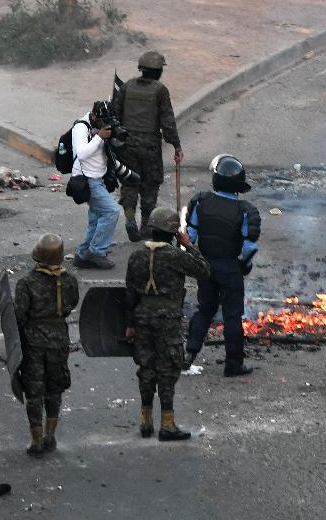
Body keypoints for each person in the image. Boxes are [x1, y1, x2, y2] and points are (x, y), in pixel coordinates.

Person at [125, 207, 210, 441]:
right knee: (168, 369)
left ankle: (145, 421)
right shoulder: (176, 255)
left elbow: (130, 293)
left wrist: (129, 323)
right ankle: (167, 424)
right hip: (167, 320)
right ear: (173, 234)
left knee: (146, 368)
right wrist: (189, 244)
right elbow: (204, 271)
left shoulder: (136, 256)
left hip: (142, 317)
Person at [184, 154, 261, 377]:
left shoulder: (200, 200)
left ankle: (189, 354)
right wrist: (244, 265)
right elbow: (249, 247)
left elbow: (190, 236)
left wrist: (192, 259)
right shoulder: (246, 210)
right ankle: (233, 364)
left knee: (204, 310)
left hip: (205, 266)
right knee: (232, 316)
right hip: (230, 268)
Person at [14, 234, 80, 457]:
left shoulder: (26, 283)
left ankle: (36, 441)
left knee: (34, 391)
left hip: (33, 343)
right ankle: (50, 436)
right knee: (55, 388)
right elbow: (71, 305)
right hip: (59, 340)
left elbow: (18, 316)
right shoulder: (70, 281)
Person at [115, 50, 184, 242]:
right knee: (150, 185)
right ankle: (146, 225)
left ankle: (129, 218)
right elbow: (167, 121)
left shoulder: (127, 86)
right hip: (150, 146)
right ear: (158, 71)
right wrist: (176, 145)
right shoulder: (160, 90)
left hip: (127, 145)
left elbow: (115, 114)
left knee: (129, 182)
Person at [71, 100, 122, 269]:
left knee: (96, 219)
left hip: (98, 178)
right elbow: (82, 153)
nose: (104, 124)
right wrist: (100, 137)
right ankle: (97, 252)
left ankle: (83, 254)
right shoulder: (81, 127)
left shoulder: (103, 126)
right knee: (111, 211)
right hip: (86, 180)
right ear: (93, 115)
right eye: (101, 120)